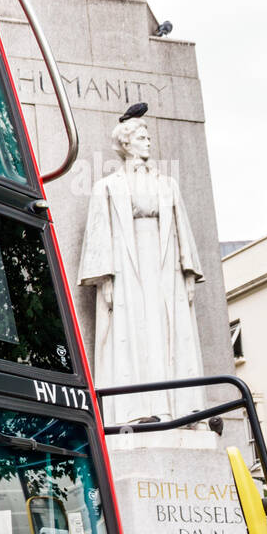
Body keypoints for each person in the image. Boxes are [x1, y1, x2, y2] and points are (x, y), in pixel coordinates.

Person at [78, 115, 205, 424]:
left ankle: (177, 407)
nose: (147, 142)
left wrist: (188, 273)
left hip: (164, 267)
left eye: (148, 137)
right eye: (140, 137)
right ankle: (137, 409)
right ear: (125, 144)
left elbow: (182, 231)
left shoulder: (168, 184)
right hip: (125, 264)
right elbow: (99, 235)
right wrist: (105, 278)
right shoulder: (106, 186)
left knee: (166, 331)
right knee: (132, 331)